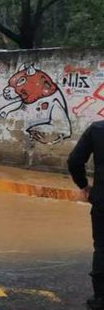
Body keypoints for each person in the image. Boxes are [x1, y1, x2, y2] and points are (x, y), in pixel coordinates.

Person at [68, 121, 104, 310]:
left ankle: (100, 298)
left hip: (102, 200)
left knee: (102, 248)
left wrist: (84, 186)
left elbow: (74, 161)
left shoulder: (97, 129)